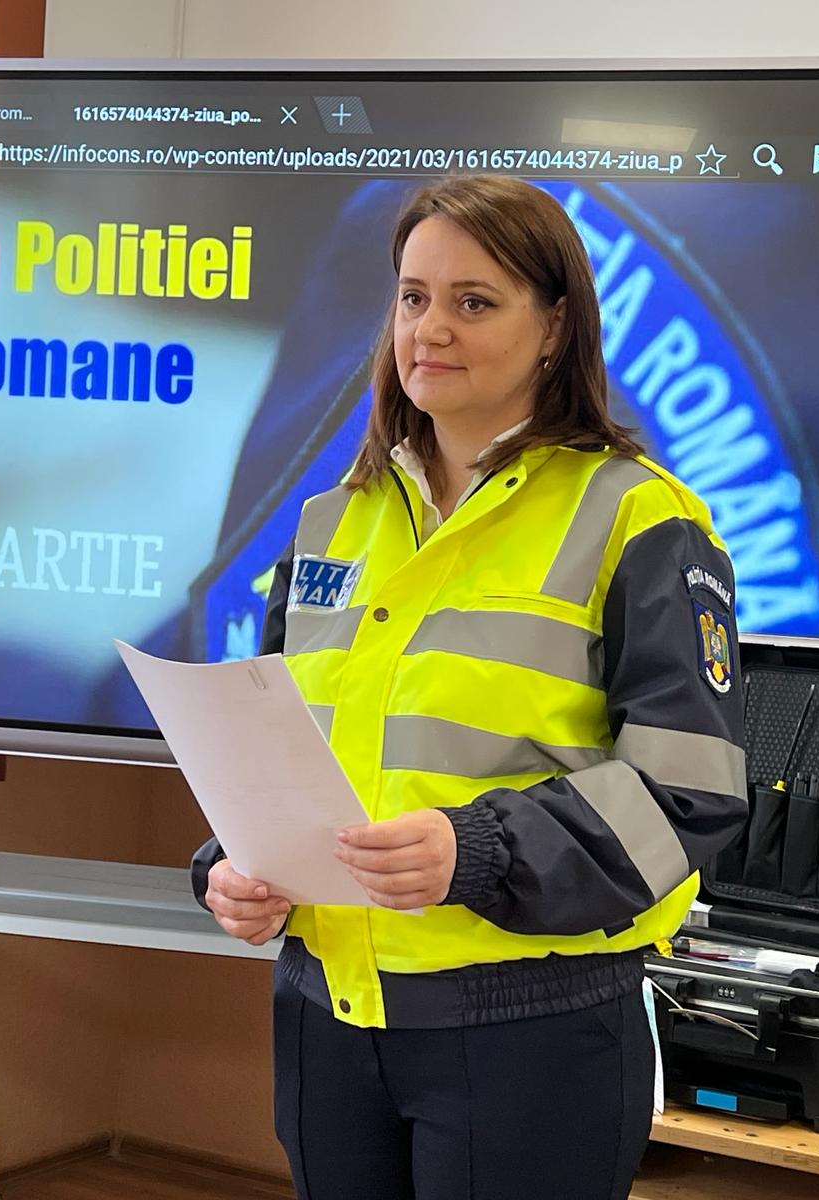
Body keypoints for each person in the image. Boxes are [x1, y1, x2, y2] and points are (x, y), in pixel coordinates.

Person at [191, 174, 747, 1200]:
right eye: (413, 297)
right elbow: (283, 756)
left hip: (530, 1034)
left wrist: (478, 851)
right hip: (325, 1018)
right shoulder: (327, 522)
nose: (429, 329)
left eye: (473, 301)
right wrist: (233, 865)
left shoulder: (641, 520)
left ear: (555, 327)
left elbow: (690, 793)